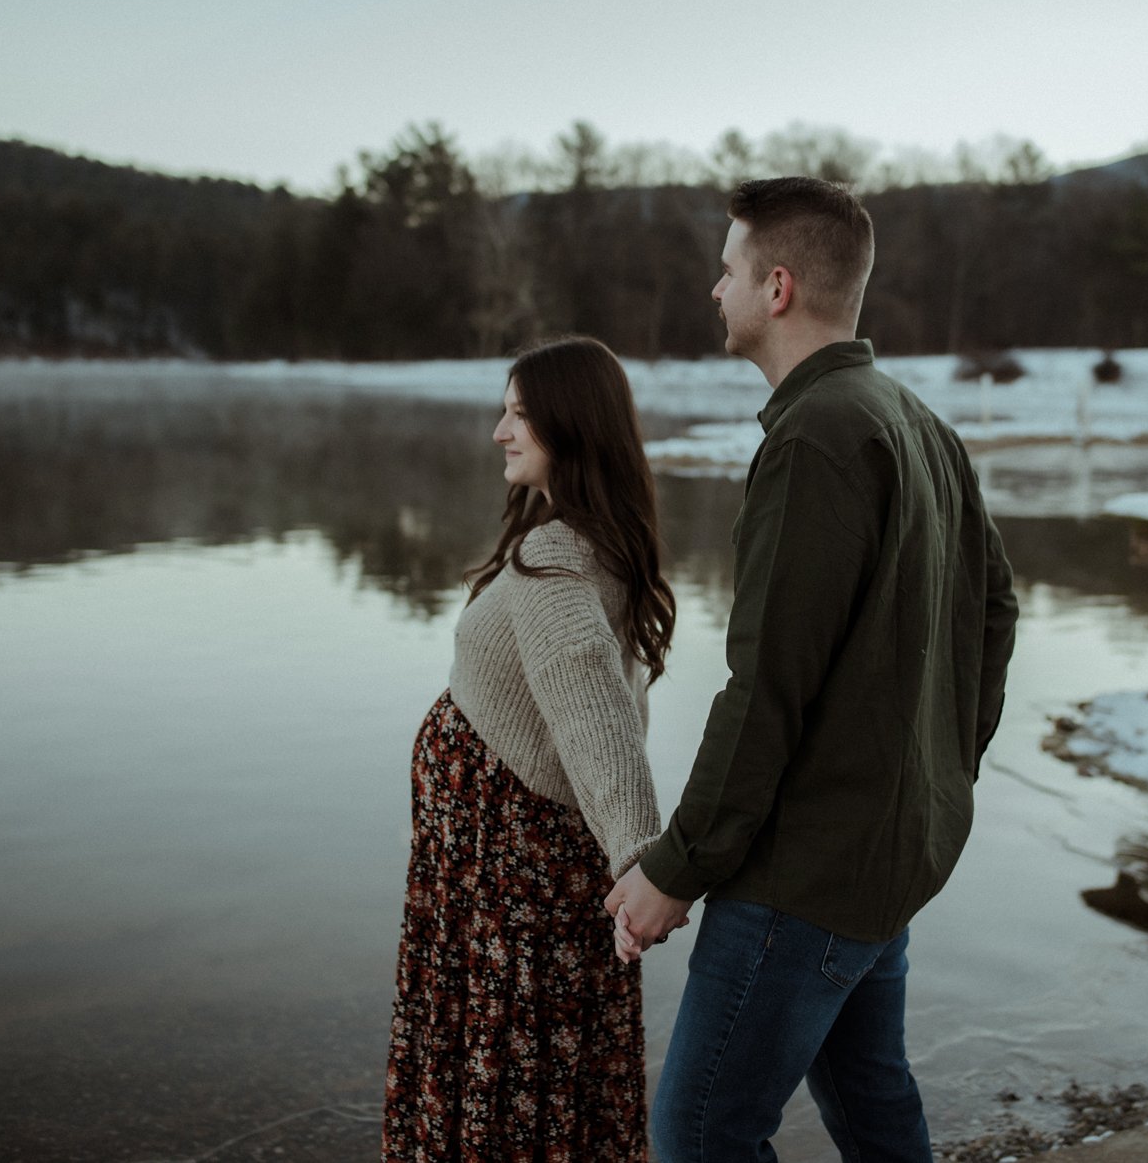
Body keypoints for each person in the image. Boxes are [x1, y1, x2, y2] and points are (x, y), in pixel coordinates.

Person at [606, 178, 1019, 1162]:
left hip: (803, 879)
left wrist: (678, 865)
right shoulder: (913, 420)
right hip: (880, 859)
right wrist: (935, 770)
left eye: (726, 269)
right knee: (872, 1101)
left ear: (776, 287)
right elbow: (994, 610)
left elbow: (764, 692)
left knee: (700, 1132)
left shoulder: (817, 435)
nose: (714, 290)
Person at [382, 335, 677, 1162]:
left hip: (510, 882)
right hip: (496, 878)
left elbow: (598, 718)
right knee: (547, 1083)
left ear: (567, 426)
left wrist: (639, 862)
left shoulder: (555, 557)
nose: (499, 432)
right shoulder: (590, 538)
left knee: (509, 1084)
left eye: (518, 414)